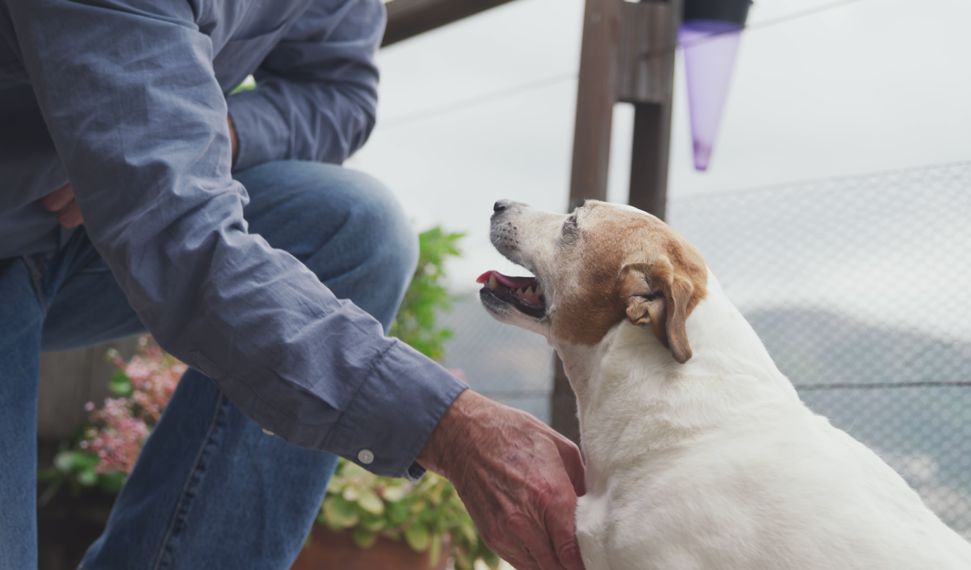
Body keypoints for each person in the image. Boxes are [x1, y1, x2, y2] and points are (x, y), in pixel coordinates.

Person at [0, 1, 585, 569]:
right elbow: (182, 241)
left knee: (356, 226)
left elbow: (339, 93)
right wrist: (450, 426)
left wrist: (223, 130)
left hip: (94, 230)